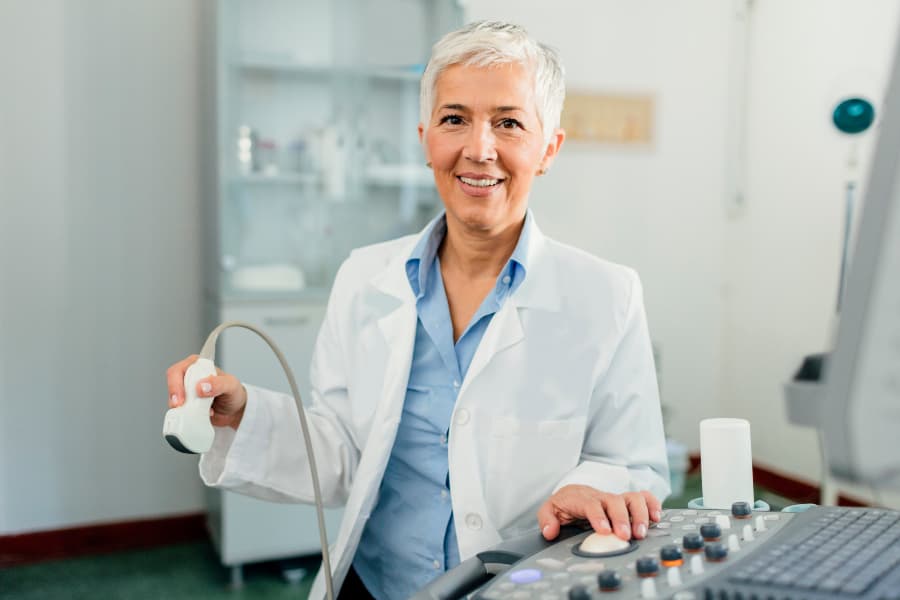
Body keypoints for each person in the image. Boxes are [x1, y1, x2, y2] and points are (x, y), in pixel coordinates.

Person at [166, 20, 669, 600]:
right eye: (455, 119)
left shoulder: (605, 295)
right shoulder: (363, 277)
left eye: (508, 123)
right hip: (377, 587)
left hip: (521, 589)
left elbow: (631, 465)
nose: (479, 149)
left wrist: (590, 486)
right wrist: (245, 412)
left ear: (548, 147)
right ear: (426, 136)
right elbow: (345, 453)